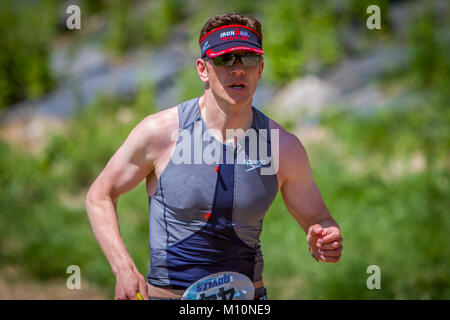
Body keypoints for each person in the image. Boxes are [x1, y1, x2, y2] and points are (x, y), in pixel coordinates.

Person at [85, 12, 343, 300]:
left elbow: (319, 219)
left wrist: (324, 241)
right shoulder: (159, 133)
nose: (237, 69)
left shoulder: (282, 147)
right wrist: (123, 268)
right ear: (202, 69)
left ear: (260, 68)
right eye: (224, 59)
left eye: (248, 58)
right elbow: (100, 195)